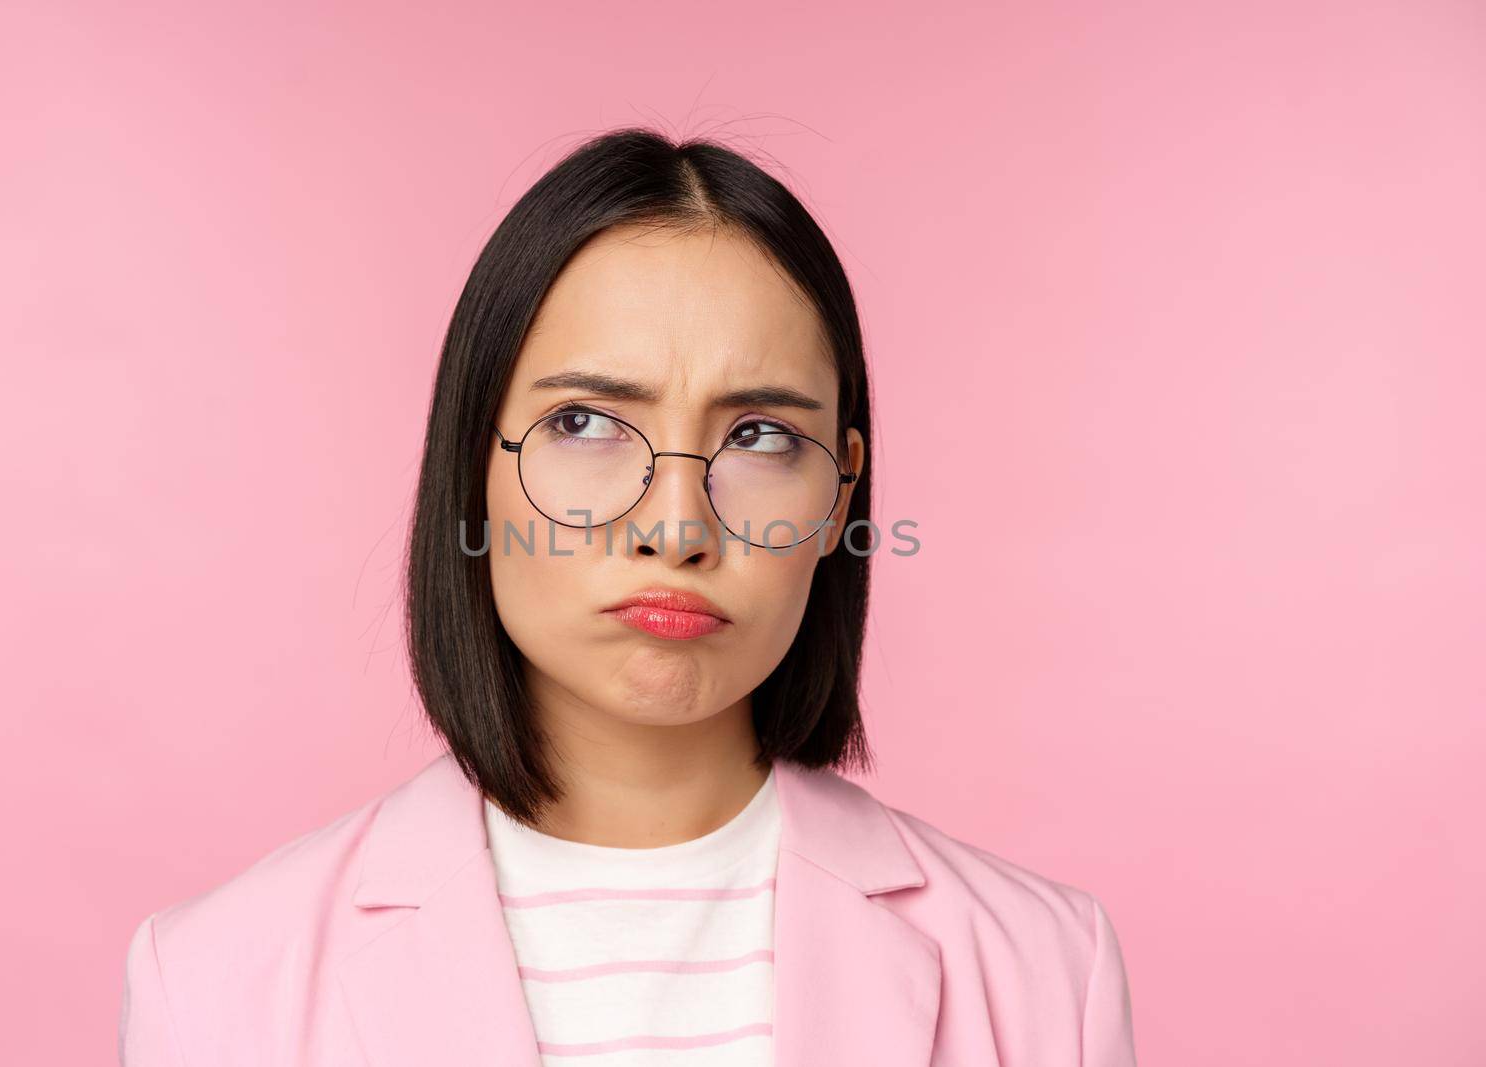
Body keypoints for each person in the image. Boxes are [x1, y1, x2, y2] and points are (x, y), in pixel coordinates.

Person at [119, 127, 1138, 1066]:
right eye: (586, 424)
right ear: (473, 458)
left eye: (761, 437)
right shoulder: (212, 978)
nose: (677, 526)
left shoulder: (1048, 967)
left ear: (841, 495)